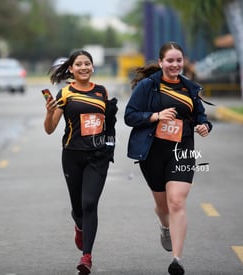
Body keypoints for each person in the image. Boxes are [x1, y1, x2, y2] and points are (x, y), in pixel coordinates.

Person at [124, 41, 213, 275]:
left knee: (177, 201)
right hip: (152, 152)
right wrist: (155, 116)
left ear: (184, 62)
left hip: (182, 150)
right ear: (161, 62)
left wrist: (204, 126)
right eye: (170, 60)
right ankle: (165, 226)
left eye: (179, 60)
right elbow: (130, 116)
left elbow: (201, 116)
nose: (175, 64)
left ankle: (177, 259)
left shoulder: (191, 88)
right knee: (163, 206)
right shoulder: (148, 86)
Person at [44, 50, 117, 275]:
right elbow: (49, 130)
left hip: (97, 156)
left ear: (92, 67)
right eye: (79, 64)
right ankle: (78, 226)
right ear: (72, 69)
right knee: (78, 209)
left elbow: (109, 123)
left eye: (87, 63)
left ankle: (86, 257)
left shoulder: (101, 91)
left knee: (89, 204)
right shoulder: (65, 93)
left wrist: (109, 147)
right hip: (72, 156)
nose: (84, 67)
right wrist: (49, 113)